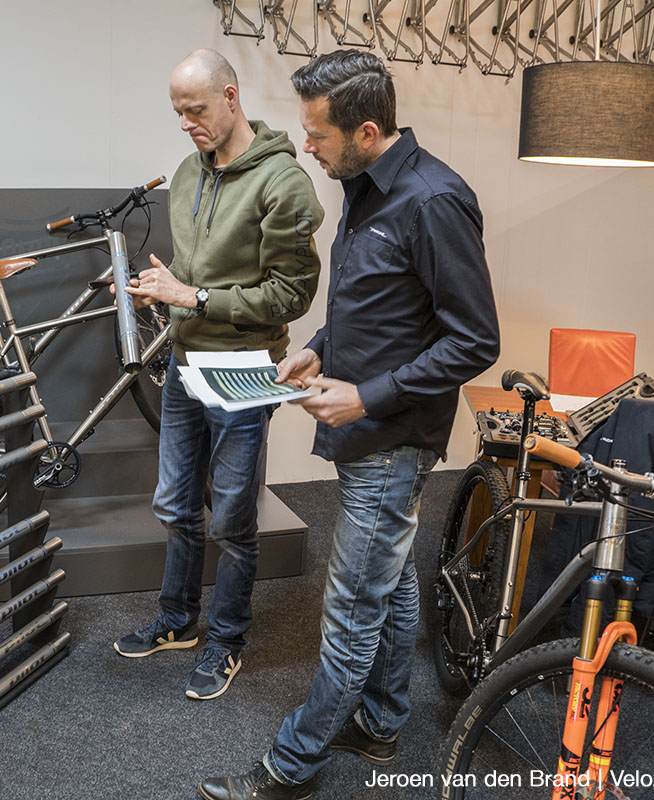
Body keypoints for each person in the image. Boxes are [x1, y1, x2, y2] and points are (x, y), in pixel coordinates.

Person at [198, 49, 500, 798]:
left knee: (353, 609)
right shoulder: (359, 185)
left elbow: (473, 341)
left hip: (392, 438)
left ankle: (291, 766)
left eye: (317, 135)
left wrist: (367, 396)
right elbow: (378, 305)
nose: (305, 146)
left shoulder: (434, 201)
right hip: (365, 432)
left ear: (367, 131)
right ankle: (382, 721)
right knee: (389, 584)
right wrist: (319, 348)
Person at [113, 48, 324, 701]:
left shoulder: (284, 184)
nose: (186, 123)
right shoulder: (186, 172)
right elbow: (191, 270)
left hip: (244, 368)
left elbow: (292, 295)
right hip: (186, 361)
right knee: (176, 504)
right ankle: (177, 620)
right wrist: (160, 289)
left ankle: (227, 640)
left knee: (231, 517)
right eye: (178, 112)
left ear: (231, 98)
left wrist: (195, 297)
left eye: (196, 109)